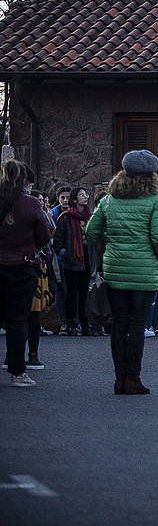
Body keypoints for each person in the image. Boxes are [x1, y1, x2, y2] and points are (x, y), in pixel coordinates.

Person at [84, 150, 158, 395]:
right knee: (136, 325)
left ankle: (119, 378)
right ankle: (133, 377)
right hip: (144, 272)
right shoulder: (154, 201)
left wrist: (109, 243)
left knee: (119, 324)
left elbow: (91, 232)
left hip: (115, 269)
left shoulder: (108, 200)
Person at [0, 161, 53, 387]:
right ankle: (18, 371)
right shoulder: (30, 203)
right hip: (22, 267)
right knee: (18, 320)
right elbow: (44, 237)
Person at [51, 187, 94, 336]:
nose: (85, 197)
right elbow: (57, 241)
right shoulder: (66, 217)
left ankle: (84, 321)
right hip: (72, 260)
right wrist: (65, 254)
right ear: (75, 199)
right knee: (71, 292)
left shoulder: (90, 217)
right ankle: (71, 322)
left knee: (84, 293)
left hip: (87, 258)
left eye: (86, 194)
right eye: (82, 195)